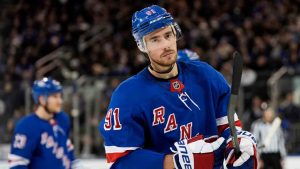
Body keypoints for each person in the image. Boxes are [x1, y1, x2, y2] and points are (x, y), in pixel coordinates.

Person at [99, 5, 257, 169]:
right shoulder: (127, 95)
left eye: (168, 35)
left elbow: (228, 129)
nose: (165, 45)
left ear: (176, 34)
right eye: (155, 39)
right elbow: (119, 162)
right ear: (142, 46)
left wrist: (239, 142)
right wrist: (175, 162)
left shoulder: (206, 76)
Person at [8, 77, 79, 169]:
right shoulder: (26, 126)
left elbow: (68, 152)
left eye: (60, 96)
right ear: (42, 99)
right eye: (55, 97)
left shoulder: (62, 119)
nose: (60, 101)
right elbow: (17, 164)